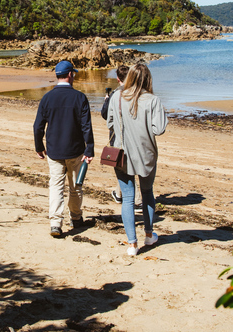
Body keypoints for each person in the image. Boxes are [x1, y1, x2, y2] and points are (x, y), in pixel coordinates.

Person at [106, 63, 167, 256]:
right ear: (148, 79)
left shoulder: (116, 96)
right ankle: (148, 235)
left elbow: (109, 122)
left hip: (121, 154)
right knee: (147, 193)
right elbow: (159, 129)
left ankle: (132, 244)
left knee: (128, 198)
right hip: (146, 153)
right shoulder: (153, 100)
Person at [33, 60, 95, 237]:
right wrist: (89, 149)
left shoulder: (47, 98)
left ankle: (55, 223)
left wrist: (39, 146)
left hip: (54, 150)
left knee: (56, 185)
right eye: (73, 74)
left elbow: (38, 126)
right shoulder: (80, 97)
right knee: (75, 186)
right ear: (70, 75)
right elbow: (86, 127)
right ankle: (76, 217)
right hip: (75, 150)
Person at [99, 65, 138, 205]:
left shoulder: (116, 94)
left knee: (122, 165)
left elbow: (105, 115)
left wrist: (106, 101)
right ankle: (120, 193)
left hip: (118, 136)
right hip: (132, 136)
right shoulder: (135, 93)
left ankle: (136, 199)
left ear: (117, 78)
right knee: (125, 165)